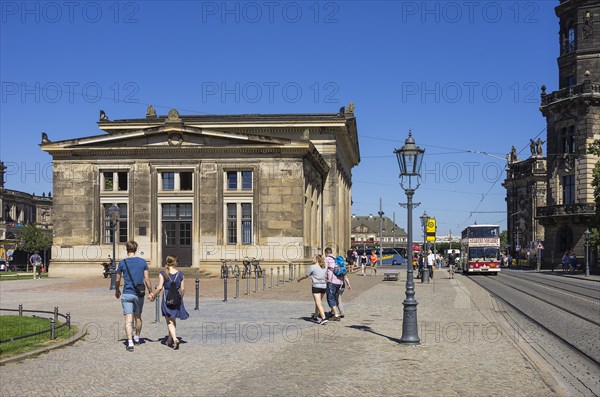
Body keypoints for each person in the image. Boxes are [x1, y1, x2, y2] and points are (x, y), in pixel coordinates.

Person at [115, 240, 152, 352]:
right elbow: (146, 279)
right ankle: (137, 337)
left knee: (128, 319)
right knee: (138, 317)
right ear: (136, 249)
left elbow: (117, 279)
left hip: (127, 293)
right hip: (138, 294)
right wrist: (150, 291)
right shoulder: (143, 262)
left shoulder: (122, 263)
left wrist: (117, 289)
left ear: (127, 249)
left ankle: (130, 342)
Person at [149, 255, 189, 349]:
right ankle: (169, 340)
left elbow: (159, 288)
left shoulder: (163, 273)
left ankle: (175, 339)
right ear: (175, 263)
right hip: (177, 298)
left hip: (167, 298)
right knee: (173, 319)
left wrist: (153, 295)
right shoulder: (180, 274)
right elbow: (183, 289)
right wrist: (180, 298)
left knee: (169, 320)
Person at [297, 254, 328, 325]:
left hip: (316, 286)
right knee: (318, 302)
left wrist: (299, 279)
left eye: (313, 258)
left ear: (316, 259)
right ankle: (315, 317)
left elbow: (306, 275)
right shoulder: (324, 267)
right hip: (323, 286)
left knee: (318, 303)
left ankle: (324, 318)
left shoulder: (312, 267)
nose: (311, 259)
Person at [324, 247, 343, 321]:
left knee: (330, 298)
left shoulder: (327, 259)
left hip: (332, 281)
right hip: (340, 281)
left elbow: (325, 270)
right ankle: (332, 312)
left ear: (326, 253)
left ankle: (336, 315)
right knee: (335, 297)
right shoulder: (337, 259)